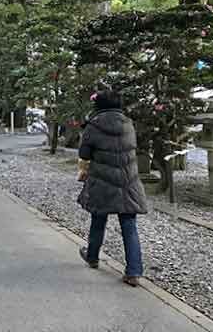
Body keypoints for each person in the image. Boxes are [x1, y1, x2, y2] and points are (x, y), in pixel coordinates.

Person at [77, 90, 148, 287]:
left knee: (98, 219)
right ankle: (133, 272)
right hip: (128, 181)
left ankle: (92, 257)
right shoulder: (128, 124)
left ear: (98, 105)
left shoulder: (94, 125)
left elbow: (84, 153)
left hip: (102, 181)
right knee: (129, 226)